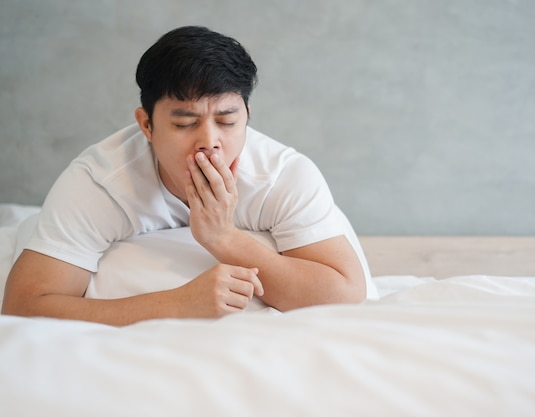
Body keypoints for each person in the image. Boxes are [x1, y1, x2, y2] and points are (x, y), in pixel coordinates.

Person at [1, 26, 375, 325]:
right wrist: (177, 304)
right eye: (185, 123)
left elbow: (344, 294)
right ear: (147, 125)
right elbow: (23, 306)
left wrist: (223, 238)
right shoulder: (99, 182)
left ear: (247, 116)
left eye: (228, 121)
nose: (209, 143)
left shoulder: (281, 175)